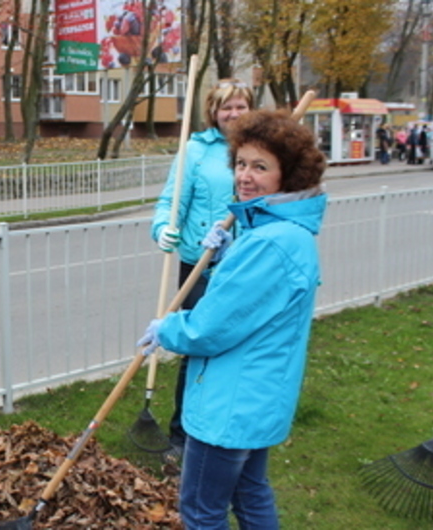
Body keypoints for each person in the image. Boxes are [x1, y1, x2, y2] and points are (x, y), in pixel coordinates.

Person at [139, 109, 327, 529]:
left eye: (260, 167)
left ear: (289, 175)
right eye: (241, 164)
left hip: (231, 403)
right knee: (250, 492)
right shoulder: (277, 234)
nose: (245, 176)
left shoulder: (271, 244)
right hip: (257, 397)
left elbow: (211, 326)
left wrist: (168, 329)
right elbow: (249, 303)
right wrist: (225, 256)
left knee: (202, 511)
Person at [149, 78, 255, 463]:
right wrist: (163, 228)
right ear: (213, 111)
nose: (233, 114)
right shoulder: (194, 150)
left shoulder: (259, 150)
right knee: (196, 347)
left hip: (244, 266)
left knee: (236, 347)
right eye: (226, 107)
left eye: (240, 106)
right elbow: (170, 201)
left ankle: (225, 429)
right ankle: (182, 435)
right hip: (199, 265)